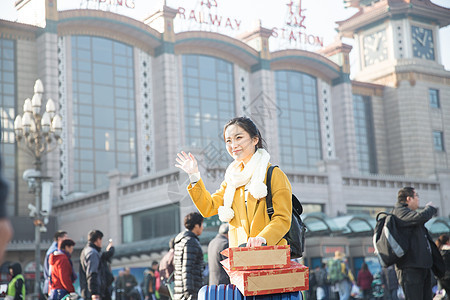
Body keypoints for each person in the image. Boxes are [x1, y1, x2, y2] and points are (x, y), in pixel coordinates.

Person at [175, 117, 292, 249]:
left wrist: (263, 237)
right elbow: (208, 207)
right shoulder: (231, 180)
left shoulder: (273, 175)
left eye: (238, 138)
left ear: (255, 139)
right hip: (240, 257)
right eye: (228, 141)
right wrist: (194, 175)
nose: (233, 145)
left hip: (270, 254)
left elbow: (283, 218)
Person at [392, 187, 437, 300]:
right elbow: (420, 217)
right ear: (409, 198)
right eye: (417, 196)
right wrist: (430, 208)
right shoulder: (400, 212)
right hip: (410, 268)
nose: (418, 199)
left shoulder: (409, 213)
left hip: (421, 266)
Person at [173, 212, 204, 300]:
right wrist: (189, 293)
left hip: (180, 290)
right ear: (196, 225)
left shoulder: (180, 241)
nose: (202, 227)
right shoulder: (191, 241)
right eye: (201, 224)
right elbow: (187, 268)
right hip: (189, 292)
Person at [79, 229, 104, 300]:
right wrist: (94, 292)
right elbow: (92, 274)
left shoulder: (85, 251)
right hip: (92, 294)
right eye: (101, 239)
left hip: (86, 291)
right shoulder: (93, 253)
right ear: (98, 239)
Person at [44, 230, 68, 298]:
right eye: (65, 238)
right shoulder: (55, 252)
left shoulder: (52, 249)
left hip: (51, 286)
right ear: (59, 239)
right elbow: (51, 271)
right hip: (54, 287)